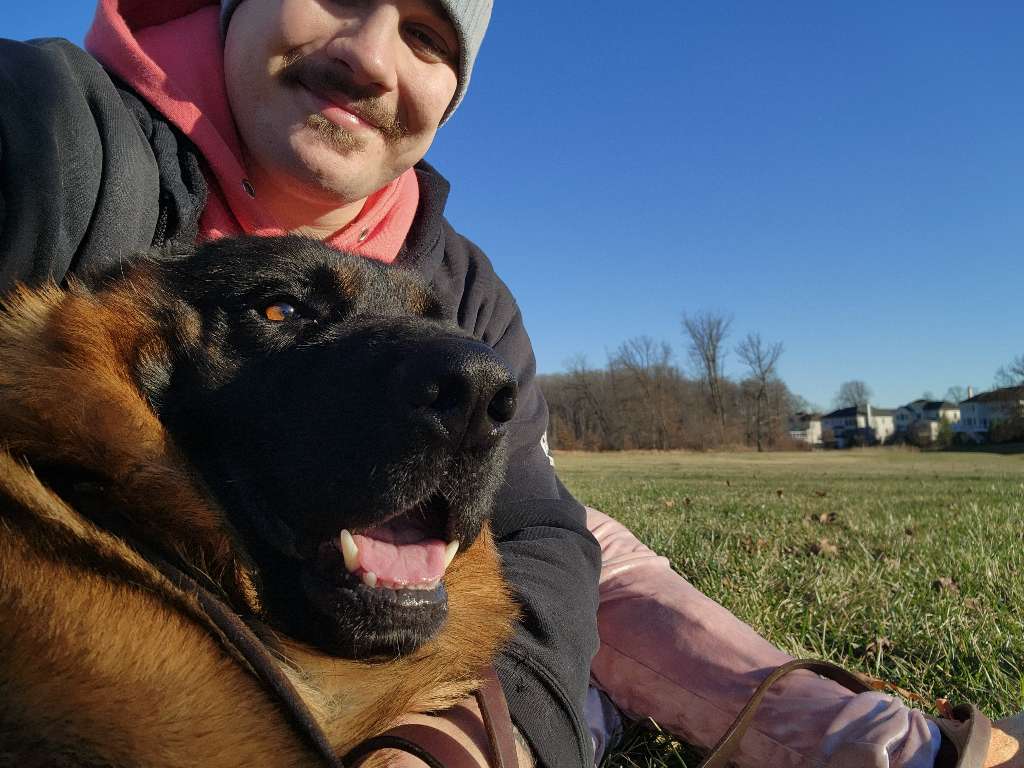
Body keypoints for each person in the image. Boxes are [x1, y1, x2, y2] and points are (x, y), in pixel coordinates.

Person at [0, 2, 1020, 766]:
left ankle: (871, 744)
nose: (368, 54)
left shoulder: (461, 284)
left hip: (403, 564)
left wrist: (473, 736)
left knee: (585, 550)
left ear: (452, 91)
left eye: (430, 36)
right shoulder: (56, 133)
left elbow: (535, 538)